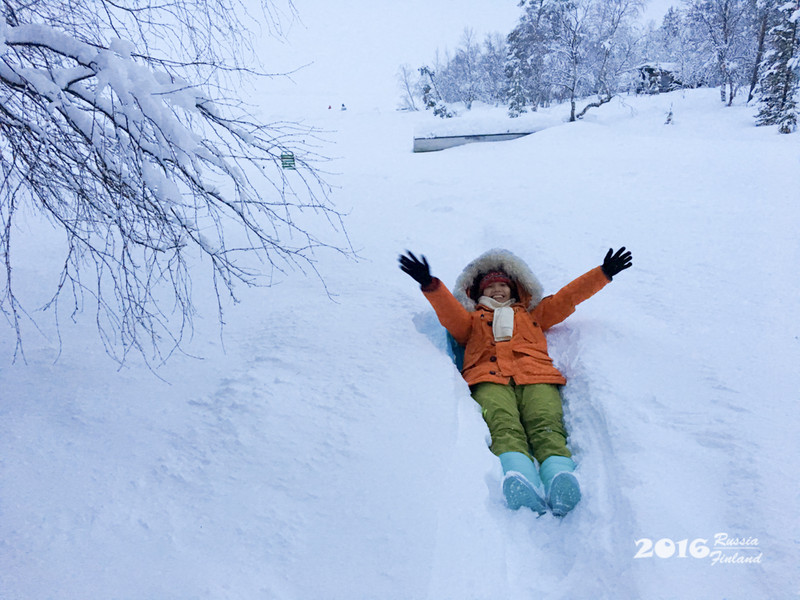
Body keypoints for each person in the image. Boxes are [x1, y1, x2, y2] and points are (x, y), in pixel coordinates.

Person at [398, 247, 632, 516]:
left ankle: (559, 478)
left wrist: (602, 274)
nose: (497, 290)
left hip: (537, 377)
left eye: (503, 285)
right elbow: (450, 315)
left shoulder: (532, 315)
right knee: (503, 425)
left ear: (515, 289)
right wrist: (431, 285)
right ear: (477, 293)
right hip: (489, 379)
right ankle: (520, 477)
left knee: (546, 425)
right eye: (490, 287)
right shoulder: (472, 321)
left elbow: (567, 298)